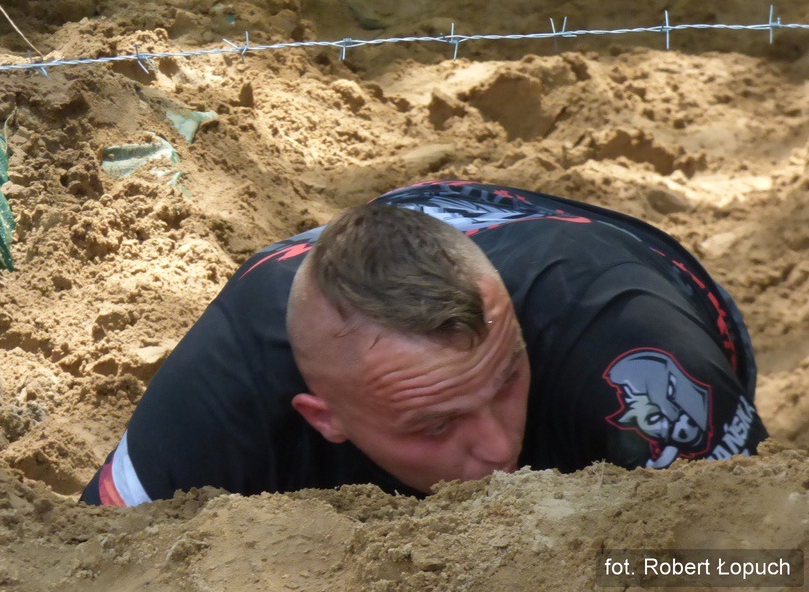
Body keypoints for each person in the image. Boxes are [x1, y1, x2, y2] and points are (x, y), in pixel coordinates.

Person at [81, 180, 767, 506]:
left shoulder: (624, 338)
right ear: (325, 417)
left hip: (627, 272)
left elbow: (749, 552)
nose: (496, 446)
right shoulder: (224, 387)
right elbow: (95, 557)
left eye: (507, 380)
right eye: (436, 425)